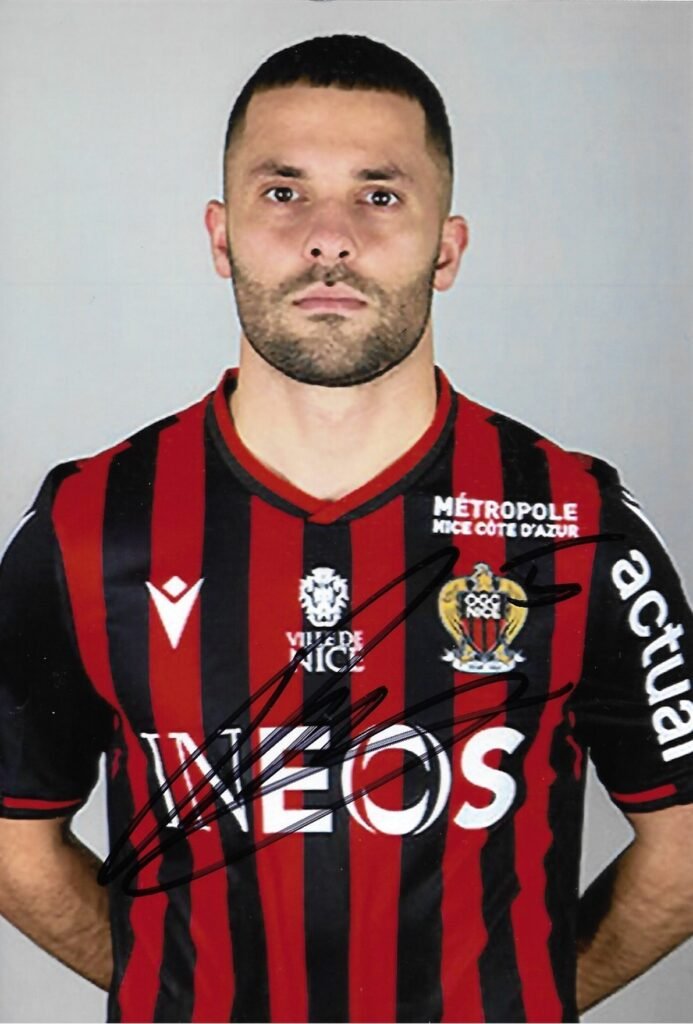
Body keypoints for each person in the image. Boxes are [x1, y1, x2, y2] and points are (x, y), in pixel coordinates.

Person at [0, 32, 691, 1024]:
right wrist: (171, 990)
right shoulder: (89, 524)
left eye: (379, 194)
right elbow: (13, 838)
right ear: (220, 236)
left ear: (446, 248)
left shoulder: (578, 520)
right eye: (283, 192)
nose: (329, 238)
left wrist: (525, 996)